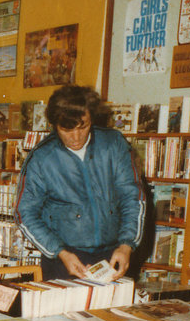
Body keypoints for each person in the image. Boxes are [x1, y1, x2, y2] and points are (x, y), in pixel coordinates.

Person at [14, 85, 146, 281]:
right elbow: (24, 213)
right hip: (63, 260)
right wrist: (59, 252)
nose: (76, 138)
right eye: (66, 130)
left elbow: (132, 198)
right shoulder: (41, 158)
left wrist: (127, 245)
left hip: (113, 255)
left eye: (83, 127)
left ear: (91, 118)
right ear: (54, 125)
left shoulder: (114, 144)